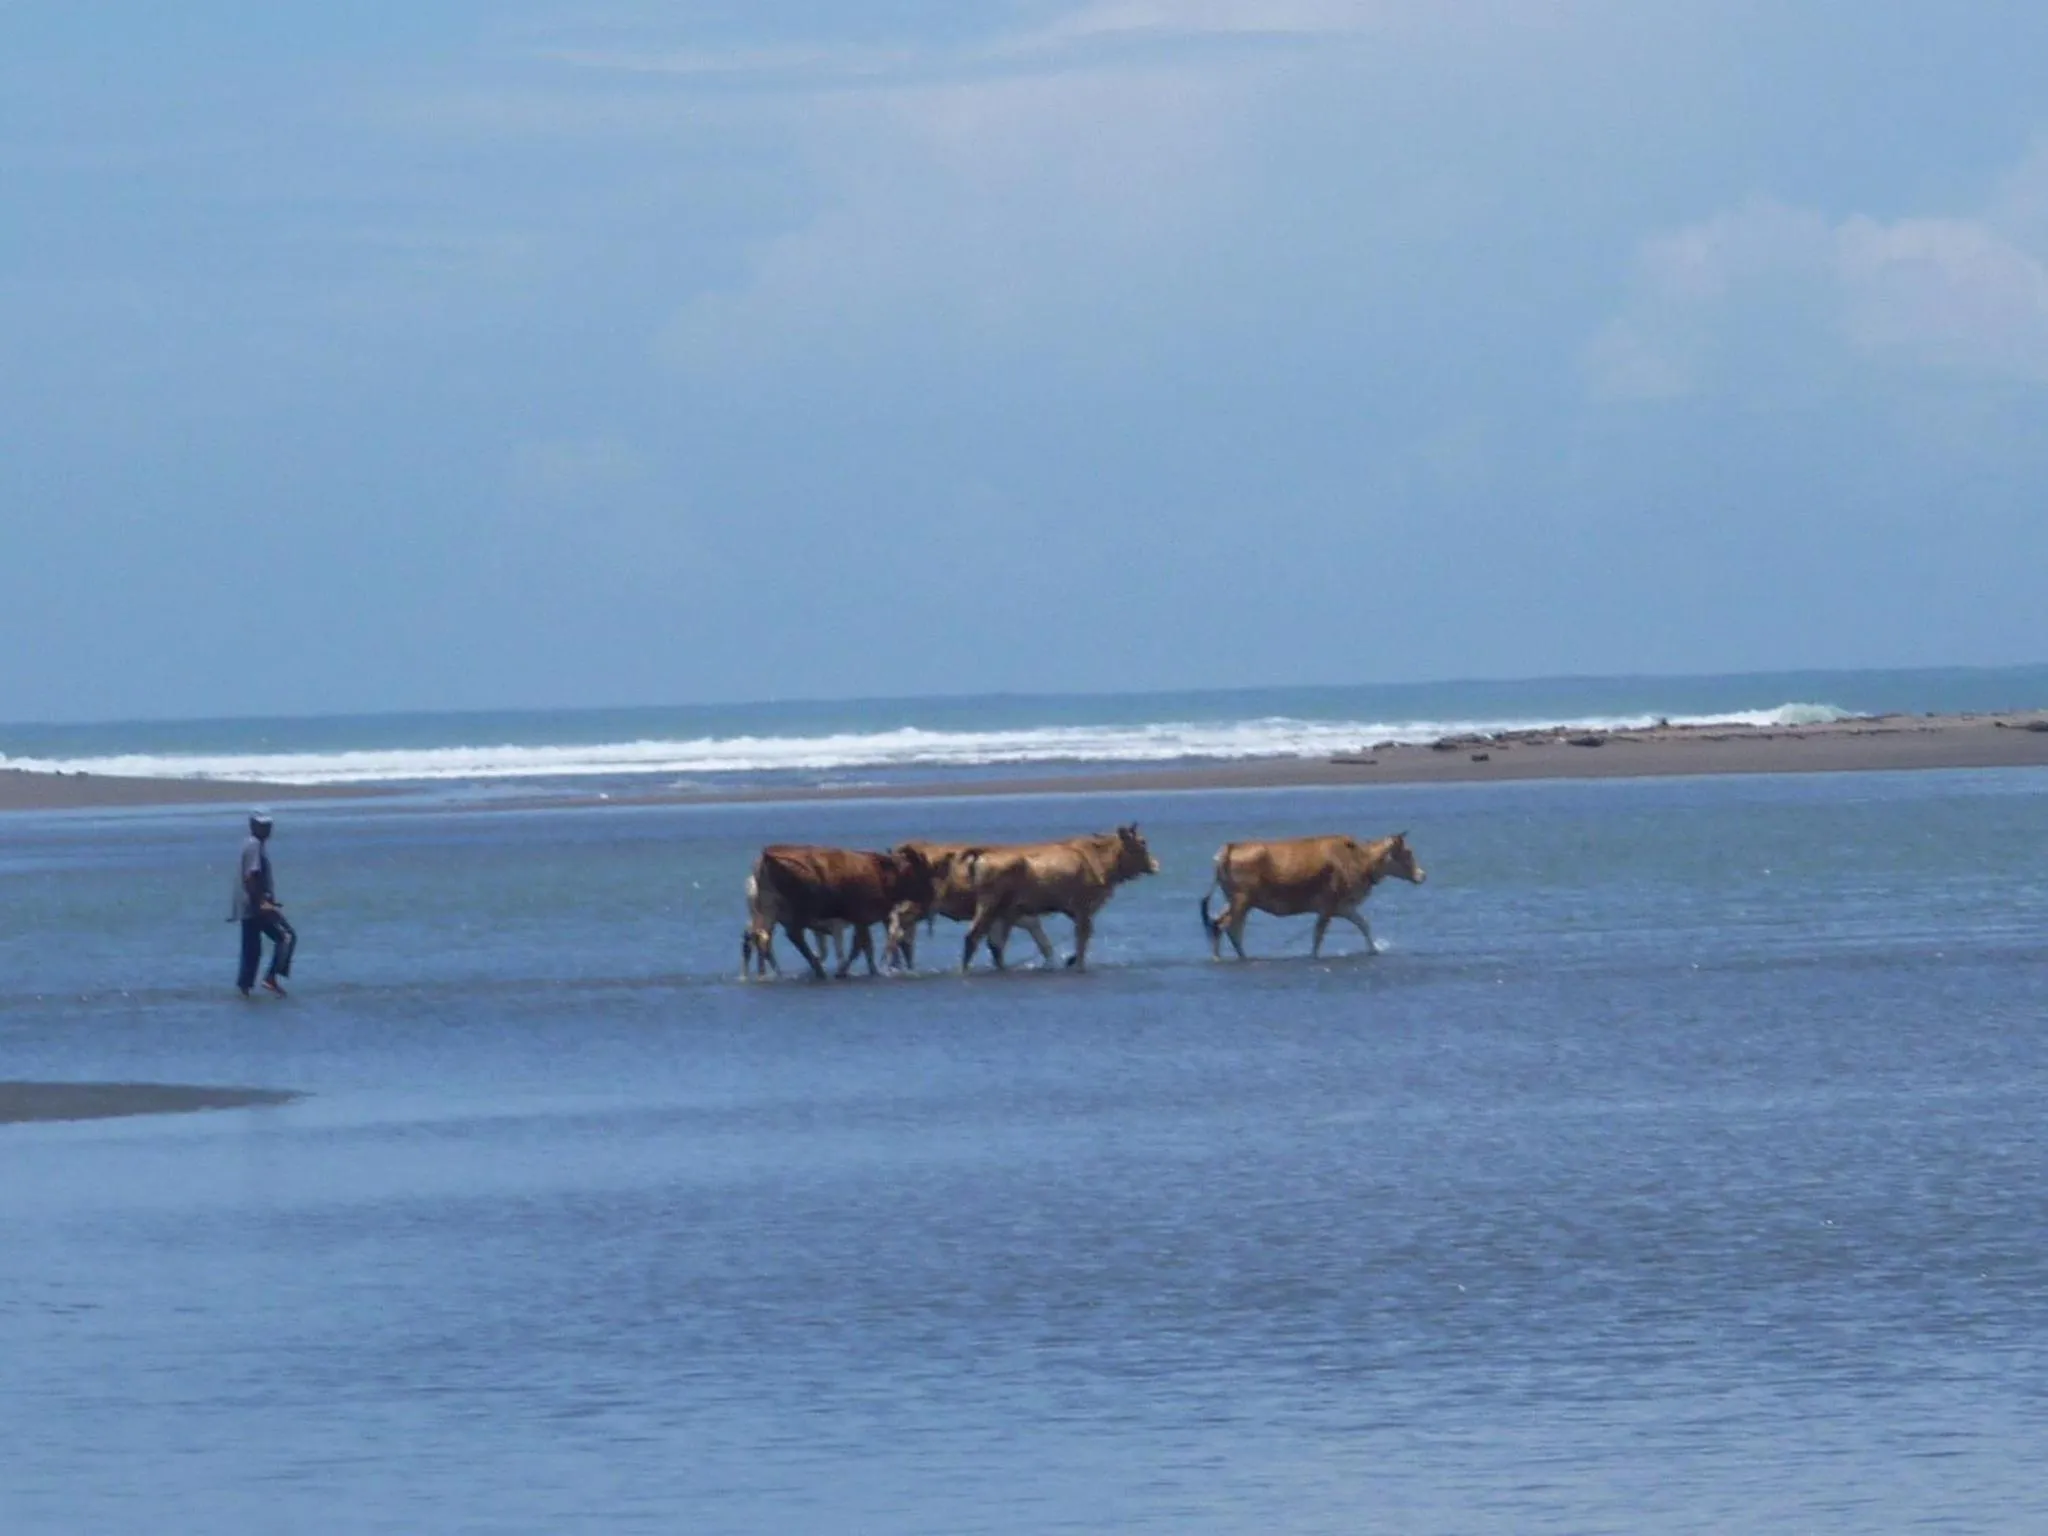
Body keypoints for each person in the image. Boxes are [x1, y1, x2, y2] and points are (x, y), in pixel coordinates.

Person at [231, 809, 296, 997]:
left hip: (249, 905)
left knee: (252, 948)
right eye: (262, 825)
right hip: (255, 906)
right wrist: (263, 903)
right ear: (252, 825)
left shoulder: (252, 844)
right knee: (286, 937)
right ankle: (271, 978)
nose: (266, 829)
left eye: (268, 825)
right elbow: (251, 877)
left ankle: (245, 990)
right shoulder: (254, 846)